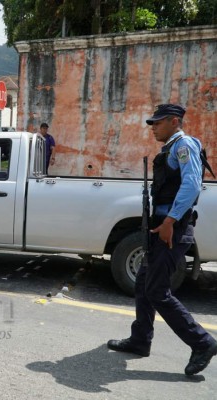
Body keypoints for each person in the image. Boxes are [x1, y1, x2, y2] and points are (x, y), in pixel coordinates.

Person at [107, 104, 217, 376]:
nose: (153, 127)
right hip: (161, 228)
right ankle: (140, 340)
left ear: (174, 121)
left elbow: (191, 185)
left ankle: (202, 343)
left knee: (157, 291)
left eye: (157, 122)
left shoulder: (183, 145)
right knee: (144, 284)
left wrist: (169, 222)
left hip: (172, 229)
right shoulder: (170, 147)